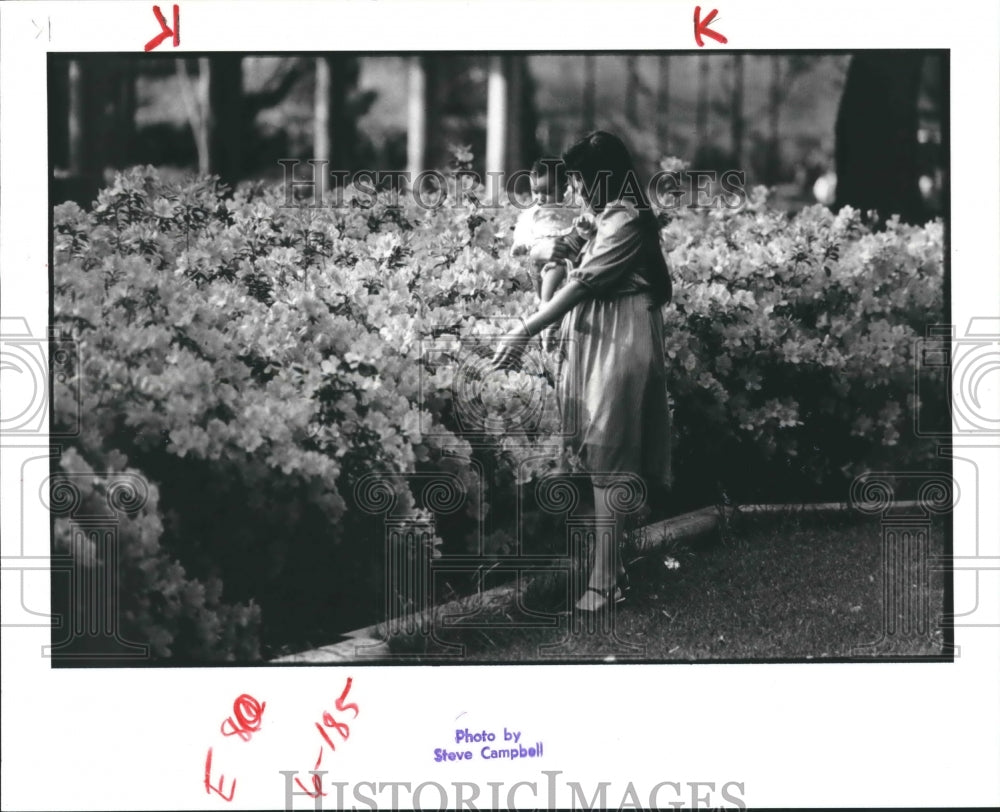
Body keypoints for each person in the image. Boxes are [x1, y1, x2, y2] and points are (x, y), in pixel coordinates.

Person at [493, 131, 673, 613]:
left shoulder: (626, 220)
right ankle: (608, 572)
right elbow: (559, 258)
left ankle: (603, 583)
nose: (573, 191)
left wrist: (526, 329)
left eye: (578, 179)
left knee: (609, 455)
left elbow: (582, 282)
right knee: (600, 456)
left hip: (622, 334)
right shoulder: (599, 217)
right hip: (599, 333)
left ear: (601, 177)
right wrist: (547, 284)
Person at [510, 158, 590, 349]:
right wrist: (524, 246)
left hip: (566, 262)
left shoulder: (571, 210)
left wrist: (583, 227)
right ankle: (547, 311)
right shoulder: (531, 214)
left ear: (564, 189)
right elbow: (522, 234)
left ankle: (550, 314)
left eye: (548, 192)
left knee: (560, 268)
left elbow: (583, 230)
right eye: (536, 192)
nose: (541, 198)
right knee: (553, 271)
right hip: (540, 262)